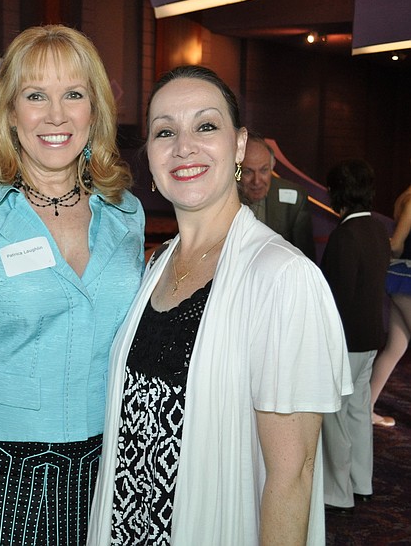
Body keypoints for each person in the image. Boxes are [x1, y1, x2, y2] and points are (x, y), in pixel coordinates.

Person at [88, 65, 351, 545]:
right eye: (165, 131)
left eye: (205, 126)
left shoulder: (283, 278)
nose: (183, 145)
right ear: (149, 155)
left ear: (238, 144)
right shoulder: (156, 266)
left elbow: (291, 479)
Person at [0, 25, 145, 545]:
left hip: (110, 458)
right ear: (8, 111)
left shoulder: (125, 215)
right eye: (35, 95)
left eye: (74, 94)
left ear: (95, 110)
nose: (56, 115)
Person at [320, 159, 390, 513]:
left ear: (337, 193)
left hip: (345, 342)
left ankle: (337, 491)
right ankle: (362, 483)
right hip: (371, 338)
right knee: (359, 413)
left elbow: (338, 300)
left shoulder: (344, 235)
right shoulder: (378, 230)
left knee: (335, 417)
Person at [370, 180, 411, 427]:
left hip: (402, 281)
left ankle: (365, 408)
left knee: (394, 349)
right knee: (393, 349)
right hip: (406, 280)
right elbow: (396, 245)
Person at [240, 133, 316, 260]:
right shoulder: (221, 197)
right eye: (247, 172)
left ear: (272, 165)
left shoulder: (295, 198)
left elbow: (305, 257)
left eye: (264, 170)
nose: (257, 181)